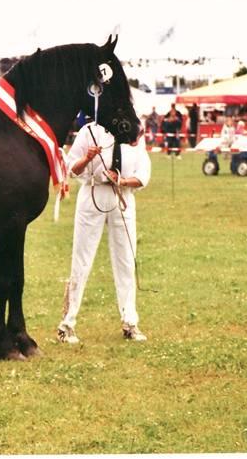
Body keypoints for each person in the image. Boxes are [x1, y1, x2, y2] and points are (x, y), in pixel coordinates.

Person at [57, 122, 152, 344]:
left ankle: (130, 321)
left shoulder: (133, 129)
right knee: (81, 261)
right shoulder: (89, 131)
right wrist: (88, 158)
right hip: (92, 194)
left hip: (123, 197)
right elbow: (72, 169)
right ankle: (67, 323)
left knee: (126, 261)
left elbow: (143, 174)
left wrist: (122, 181)